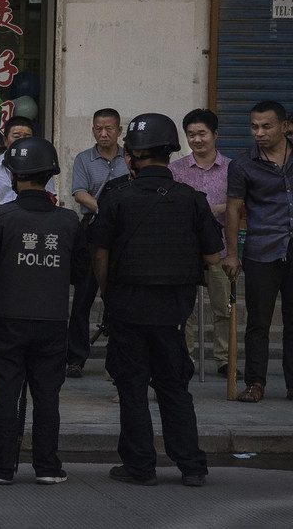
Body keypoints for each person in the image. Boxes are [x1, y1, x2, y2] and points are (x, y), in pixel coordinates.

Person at [91, 112, 218, 487]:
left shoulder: (116, 197)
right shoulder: (192, 200)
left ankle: (140, 466)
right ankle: (191, 466)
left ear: (129, 155)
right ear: (170, 153)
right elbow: (213, 257)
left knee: (131, 390)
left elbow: (99, 254)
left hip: (128, 307)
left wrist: (106, 292)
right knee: (174, 389)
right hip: (173, 312)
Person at [0, 137, 87, 485]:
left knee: (6, 393)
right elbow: (80, 275)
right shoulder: (68, 221)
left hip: (7, 319)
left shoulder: (1, 217)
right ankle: (47, 467)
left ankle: (1, 467)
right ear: (50, 174)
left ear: (14, 176)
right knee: (47, 396)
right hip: (51, 321)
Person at [224, 100, 293, 402]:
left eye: (266, 126)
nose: (259, 133)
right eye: (254, 126)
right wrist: (231, 254)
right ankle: (255, 383)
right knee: (258, 322)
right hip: (261, 250)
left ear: (284, 126)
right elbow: (232, 210)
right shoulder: (242, 164)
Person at [168, 108, 234, 376]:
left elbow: (240, 206)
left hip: (220, 248)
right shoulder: (176, 169)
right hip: (186, 251)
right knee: (185, 311)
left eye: (202, 134)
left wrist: (217, 209)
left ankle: (224, 359)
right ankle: (186, 358)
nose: (197, 140)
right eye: (191, 135)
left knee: (223, 308)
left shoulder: (232, 168)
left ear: (215, 134)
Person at [65, 108, 128, 378]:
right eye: (98, 129)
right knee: (82, 298)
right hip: (91, 229)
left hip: (124, 233)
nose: (103, 134)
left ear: (119, 130)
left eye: (109, 129)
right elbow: (79, 194)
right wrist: (106, 208)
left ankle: (117, 362)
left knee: (120, 297)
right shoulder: (83, 159)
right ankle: (75, 359)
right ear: (92, 130)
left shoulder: (131, 157)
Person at [0, 116, 57, 204]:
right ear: (5, 140)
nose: (22, 141)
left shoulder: (41, 165)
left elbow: (50, 197)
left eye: (27, 136)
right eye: (16, 136)